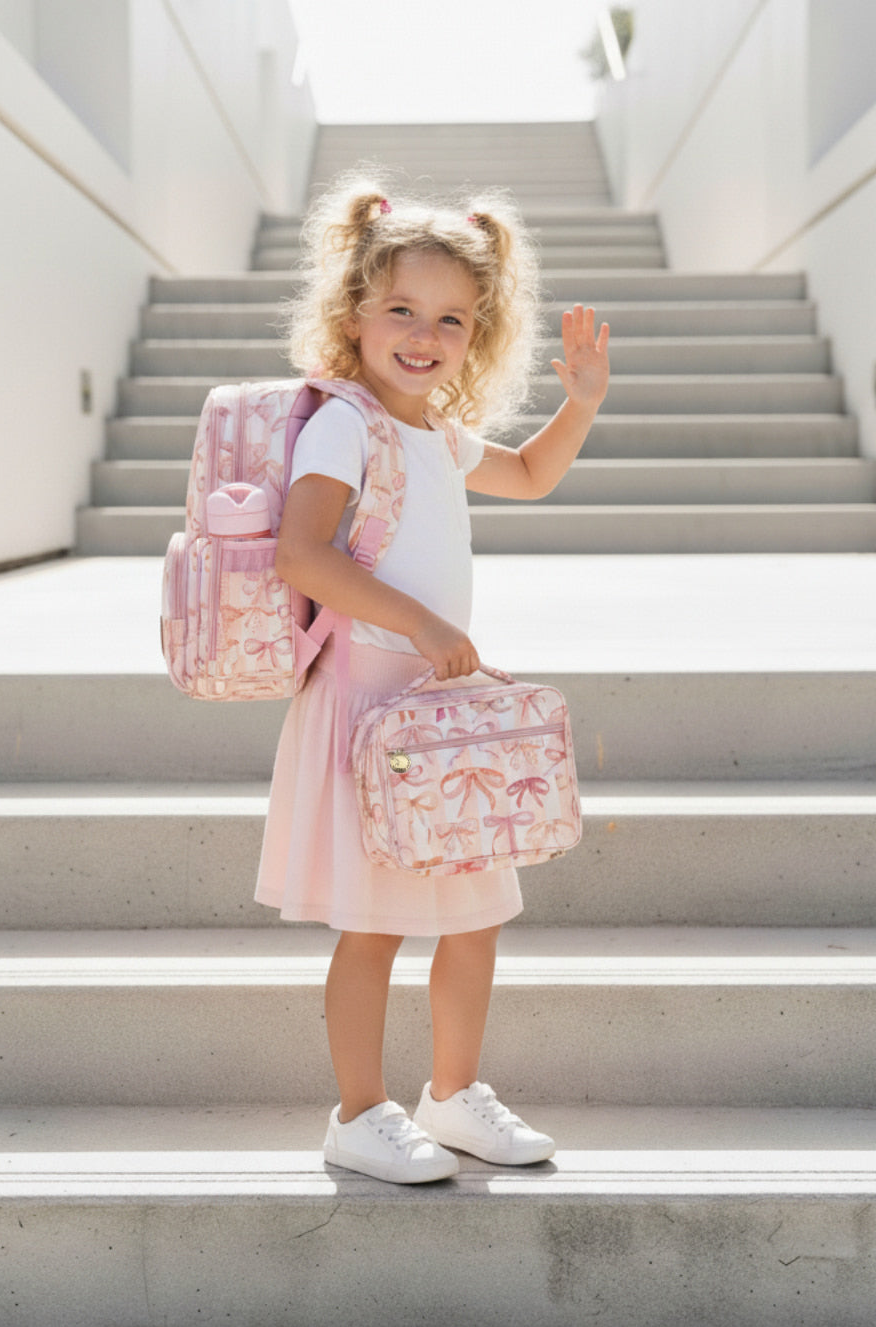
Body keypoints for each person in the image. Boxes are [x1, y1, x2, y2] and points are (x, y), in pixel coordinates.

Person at [254, 175, 610, 1184]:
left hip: (440, 723)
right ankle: (357, 1114)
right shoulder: (343, 426)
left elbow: (534, 476)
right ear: (354, 312)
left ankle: (452, 1097)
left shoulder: (438, 436)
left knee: (474, 913)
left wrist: (580, 402)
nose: (423, 333)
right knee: (375, 925)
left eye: (449, 318)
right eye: (401, 309)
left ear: (477, 333)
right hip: (369, 703)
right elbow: (303, 556)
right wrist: (424, 623)